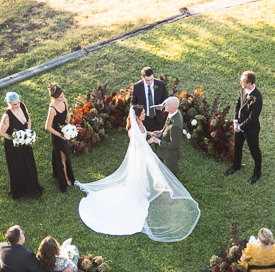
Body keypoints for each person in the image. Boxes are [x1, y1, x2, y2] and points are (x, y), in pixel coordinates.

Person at [76, 102, 200, 241]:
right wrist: (150, 141)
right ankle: (135, 195)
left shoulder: (139, 124)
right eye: (143, 114)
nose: (145, 115)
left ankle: (142, 191)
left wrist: (151, 133)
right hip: (138, 156)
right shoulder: (132, 131)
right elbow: (137, 147)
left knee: (144, 176)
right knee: (138, 175)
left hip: (144, 155)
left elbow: (143, 132)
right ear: (137, 116)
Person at [0, 90, 45, 199]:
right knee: (19, 165)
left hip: (25, 140)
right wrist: (16, 138)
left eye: (18, 102)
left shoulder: (23, 106)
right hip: (14, 145)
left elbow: (28, 119)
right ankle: (21, 189)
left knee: (29, 162)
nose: (17, 105)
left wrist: (28, 132)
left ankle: (32, 186)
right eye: (14, 104)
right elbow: (1, 133)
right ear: (9, 104)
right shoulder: (6, 116)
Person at [226, 70, 263, 182]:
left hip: (251, 130)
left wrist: (240, 127)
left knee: (254, 151)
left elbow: (253, 118)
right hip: (239, 126)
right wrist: (235, 121)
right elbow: (237, 105)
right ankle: (236, 165)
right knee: (237, 147)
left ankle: (257, 174)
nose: (241, 82)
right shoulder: (243, 89)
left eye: (243, 81)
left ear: (250, 83)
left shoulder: (257, 98)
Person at [46, 82, 78, 192]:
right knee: (62, 157)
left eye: (62, 95)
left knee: (59, 154)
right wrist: (61, 135)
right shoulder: (52, 109)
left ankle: (57, 172)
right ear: (53, 97)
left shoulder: (64, 101)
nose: (62, 98)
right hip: (57, 135)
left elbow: (67, 114)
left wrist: (68, 126)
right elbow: (47, 127)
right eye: (59, 97)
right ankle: (66, 178)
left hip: (64, 131)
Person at [150, 95, 184, 181]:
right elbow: (167, 126)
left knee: (172, 177)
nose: (164, 105)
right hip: (164, 152)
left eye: (167, 105)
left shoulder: (175, 126)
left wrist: (159, 142)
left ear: (173, 107)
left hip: (170, 156)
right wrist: (161, 131)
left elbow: (174, 145)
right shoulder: (174, 113)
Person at [131, 66, 166, 132]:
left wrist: (162, 106)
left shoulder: (161, 84)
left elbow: (166, 99)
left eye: (152, 79)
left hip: (158, 118)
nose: (150, 82)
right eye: (147, 80)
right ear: (142, 78)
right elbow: (133, 103)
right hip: (144, 119)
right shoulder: (137, 87)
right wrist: (138, 112)